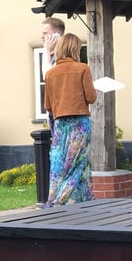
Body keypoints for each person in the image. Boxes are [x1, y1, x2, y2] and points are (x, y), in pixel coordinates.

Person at [43, 33, 98, 206]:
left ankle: (84, 200)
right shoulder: (83, 69)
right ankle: (57, 202)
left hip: (60, 125)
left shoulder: (50, 74)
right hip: (79, 124)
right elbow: (91, 97)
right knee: (78, 163)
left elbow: (48, 106)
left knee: (59, 165)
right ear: (75, 49)